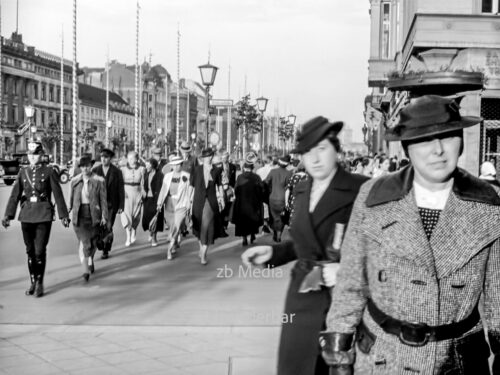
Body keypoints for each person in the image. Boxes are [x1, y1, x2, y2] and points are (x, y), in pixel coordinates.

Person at [320, 95, 500, 374]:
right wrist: (339, 355)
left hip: (459, 363)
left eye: (448, 136)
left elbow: (499, 300)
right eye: (424, 140)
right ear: (407, 149)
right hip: (382, 359)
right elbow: (351, 283)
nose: (438, 150)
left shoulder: (489, 203)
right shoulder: (374, 196)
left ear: (462, 141)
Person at [241, 117, 369, 375]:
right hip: (302, 294)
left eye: (322, 149)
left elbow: (379, 251)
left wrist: (345, 271)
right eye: (307, 152)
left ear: (337, 149)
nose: (315, 159)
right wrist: (275, 252)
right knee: (296, 365)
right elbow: (304, 242)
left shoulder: (361, 190)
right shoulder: (302, 188)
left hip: (341, 300)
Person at [2, 141, 70, 297]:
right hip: (26, 215)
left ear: (42, 155)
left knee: (39, 251)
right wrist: (8, 215)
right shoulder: (23, 172)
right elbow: (15, 195)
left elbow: (58, 194)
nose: (33, 157)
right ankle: (33, 281)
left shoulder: (49, 171)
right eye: (31, 154)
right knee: (30, 251)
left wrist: (64, 215)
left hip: (43, 214)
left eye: (36, 154)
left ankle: (39, 282)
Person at [69, 156, 108, 282]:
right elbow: (71, 199)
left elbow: (103, 200)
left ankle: (90, 259)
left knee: (92, 242)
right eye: (82, 166)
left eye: (87, 166)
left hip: (93, 215)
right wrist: (67, 213)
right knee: (84, 242)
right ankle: (85, 270)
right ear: (80, 168)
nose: (85, 168)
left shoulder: (99, 181)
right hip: (79, 215)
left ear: (91, 166)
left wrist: (104, 216)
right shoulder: (75, 181)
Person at [190, 148, 225, 265]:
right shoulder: (196, 170)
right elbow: (191, 186)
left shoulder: (216, 170)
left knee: (206, 226)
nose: (208, 158)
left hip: (211, 202)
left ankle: (203, 253)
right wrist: (188, 201)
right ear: (203, 158)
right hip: (197, 202)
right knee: (199, 227)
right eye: (206, 156)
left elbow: (219, 185)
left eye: (210, 156)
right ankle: (202, 248)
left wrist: (222, 199)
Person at [157, 155, 193, 260]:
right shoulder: (167, 176)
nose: (177, 167)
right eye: (174, 165)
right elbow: (163, 190)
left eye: (178, 164)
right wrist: (159, 203)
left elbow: (189, 190)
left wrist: (189, 203)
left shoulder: (186, 176)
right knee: (171, 225)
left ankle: (169, 249)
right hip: (169, 202)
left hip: (181, 204)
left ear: (181, 165)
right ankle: (176, 238)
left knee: (176, 226)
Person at [92, 148, 124, 259]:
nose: (103, 159)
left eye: (106, 157)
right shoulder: (95, 170)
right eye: (102, 157)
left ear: (110, 159)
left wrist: (121, 205)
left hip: (111, 204)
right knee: (98, 227)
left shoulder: (117, 172)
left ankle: (105, 249)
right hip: (98, 204)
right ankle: (101, 243)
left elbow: (121, 189)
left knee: (108, 226)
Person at [232, 153, 264, 246]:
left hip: (242, 203)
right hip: (253, 203)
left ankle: (244, 238)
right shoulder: (256, 177)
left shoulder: (240, 177)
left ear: (244, 168)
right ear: (252, 168)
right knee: (253, 221)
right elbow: (261, 189)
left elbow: (236, 190)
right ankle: (253, 235)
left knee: (242, 222)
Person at [264, 154, 293, 242]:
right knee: (282, 218)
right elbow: (290, 186)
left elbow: (266, 182)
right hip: (283, 199)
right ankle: (279, 235)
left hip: (272, 198)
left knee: (274, 217)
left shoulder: (273, 171)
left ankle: (276, 233)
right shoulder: (289, 173)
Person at [120, 151, 145, 246]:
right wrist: (122, 193)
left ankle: (134, 230)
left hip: (137, 193)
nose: (131, 160)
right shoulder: (123, 169)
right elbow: (120, 183)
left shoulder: (142, 169)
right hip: (127, 193)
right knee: (127, 215)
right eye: (129, 158)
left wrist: (143, 192)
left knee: (136, 215)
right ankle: (128, 236)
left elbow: (143, 182)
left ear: (136, 159)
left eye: (133, 158)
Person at [141, 158, 164, 247]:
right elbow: (142, 185)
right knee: (148, 218)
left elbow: (160, 188)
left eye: (148, 165)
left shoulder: (160, 175)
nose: (146, 167)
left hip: (156, 199)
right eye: (146, 165)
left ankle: (154, 237)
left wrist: (160, 201)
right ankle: (151, 232)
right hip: (147, 199)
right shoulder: (145, 174)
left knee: (155, 219)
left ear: (153, 165)